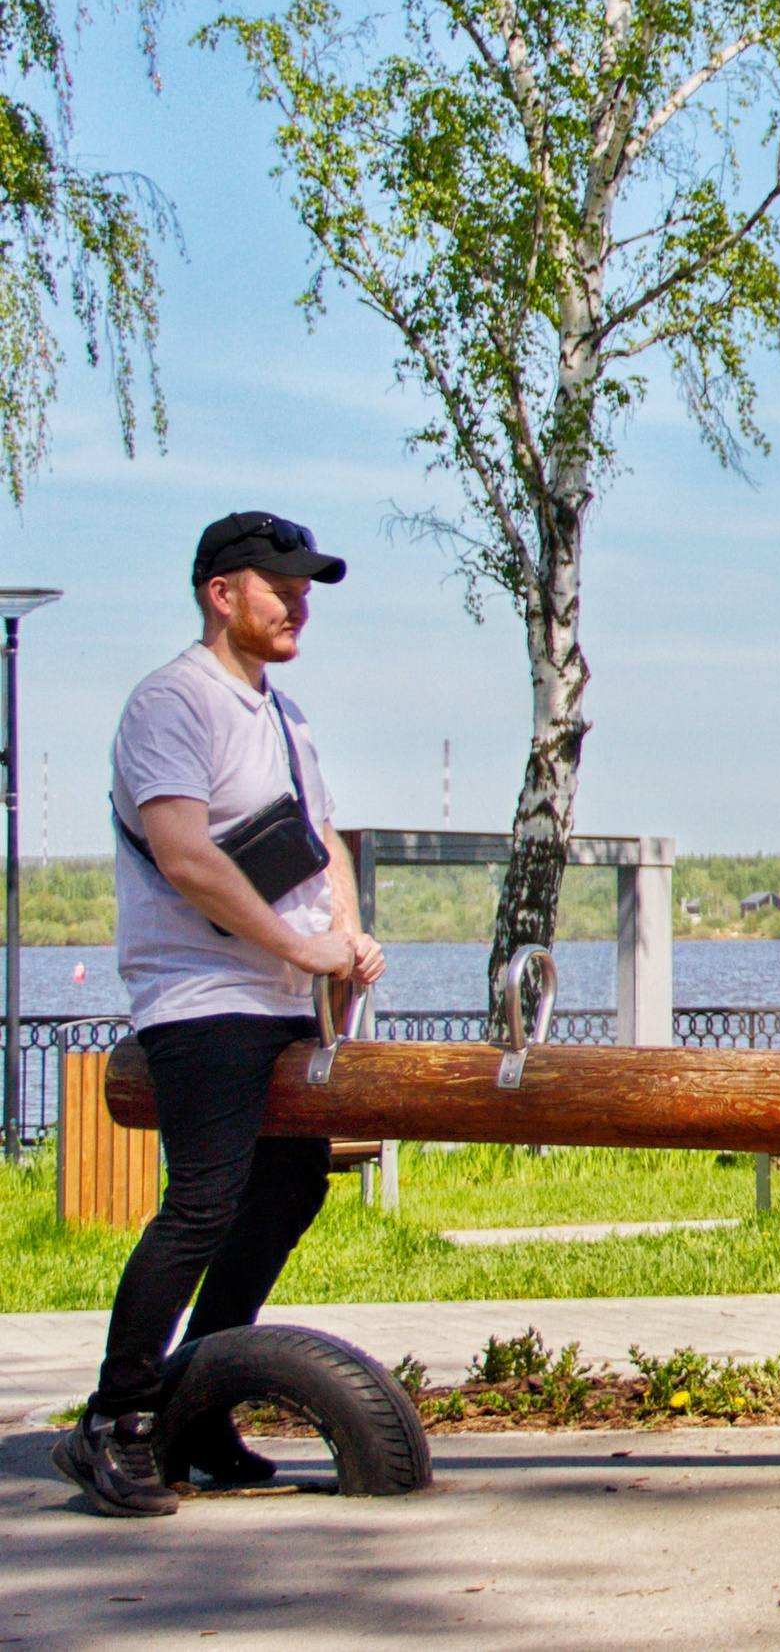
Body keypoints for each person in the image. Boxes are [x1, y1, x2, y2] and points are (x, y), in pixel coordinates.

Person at [53, 513, 385, 1518]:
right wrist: (299, 946)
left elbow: (322, 837)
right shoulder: (172, 703)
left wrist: (348, 941)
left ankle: (197, 1403)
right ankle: (114, 1421)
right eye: (279, 585)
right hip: (200, 999)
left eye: (308, 587)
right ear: (220, 592)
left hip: (282, 998)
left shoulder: (286, 717)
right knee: (205, 1201)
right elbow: (186, 854)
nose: (300, 602)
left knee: (288, 1196)